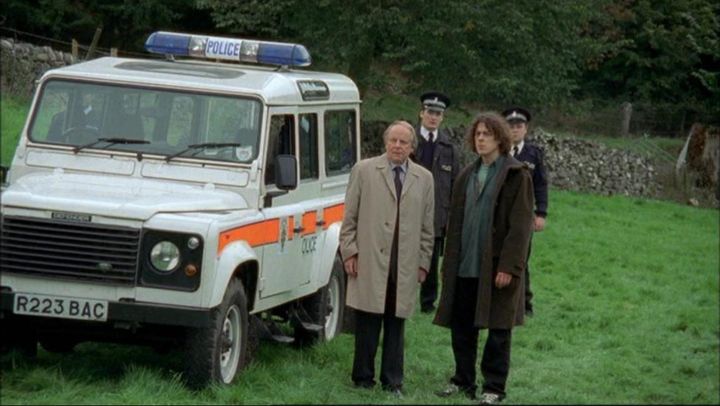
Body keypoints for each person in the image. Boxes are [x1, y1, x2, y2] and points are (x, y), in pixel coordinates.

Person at [434, 112, 534, 404]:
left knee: (499, 330)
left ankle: (494, 388)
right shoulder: (466, 174)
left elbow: (521, 228)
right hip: (465, 265)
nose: (480, 139)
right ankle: (463, 381)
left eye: (486, 134)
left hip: (497, 269)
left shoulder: (517, 175)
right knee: (462, 326)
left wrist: (509, 267)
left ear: (500, 138)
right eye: (477, 134)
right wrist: (448, 263)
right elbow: (455, 224)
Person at [340, 120, 434, 397]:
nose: (397, 146)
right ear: (385, 142)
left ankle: (393, 381)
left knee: (396, 321)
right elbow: (349, 217)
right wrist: (349, 251)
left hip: (404, 262)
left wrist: (423, 262)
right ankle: (362, 378)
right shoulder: (365, 170)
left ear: (411, 147)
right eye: (393, 140)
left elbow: (428, 227)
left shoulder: (424, 179)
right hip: (369, 257)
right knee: (368, 319)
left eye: (403, 142)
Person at [412, 91, 460, 313]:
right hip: (410, 209)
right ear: (421, 113)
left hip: (437, 214)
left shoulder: (448, 148)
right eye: (430, 112)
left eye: (438, 114)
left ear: (442, 118)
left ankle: (427, 303)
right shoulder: (409, 142)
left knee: (431, 260)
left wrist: (450, 217)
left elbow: (455, 185)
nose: (433, 117)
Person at [502, 106, 548, 316]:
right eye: (511, 126)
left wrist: (541, 213)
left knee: (520, 258)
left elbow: (540, 184)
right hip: (499, 213)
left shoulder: (533, 154)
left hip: (524, 215)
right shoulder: (498, 151)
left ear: (526, 129)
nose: (515, 130)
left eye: (519, 126)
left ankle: (524, 303)